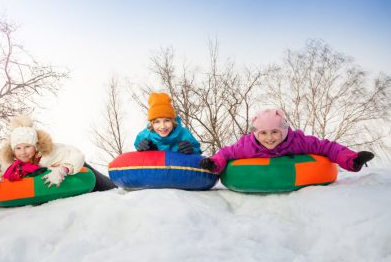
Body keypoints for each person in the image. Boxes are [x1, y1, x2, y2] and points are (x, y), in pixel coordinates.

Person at [200, 108, 374, 173]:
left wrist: (353, 160)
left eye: (275, 132)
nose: (269, 138)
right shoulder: (248, 146)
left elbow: (327, 147)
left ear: (283, 130)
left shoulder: (297, 141)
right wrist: (214, 164)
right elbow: (226, 153)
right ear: (256, 134)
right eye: (263, 133)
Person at [0, 115, 116, 191]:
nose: (23, 152)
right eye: (18, 148)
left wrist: (63, 169)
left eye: (27, 146)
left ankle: (117, 184)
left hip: (78, 167)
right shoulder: (11, 163)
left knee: (110, 187)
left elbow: (76, 155)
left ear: (35, 145)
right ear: (13, 149)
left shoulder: (49, 154)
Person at [134, 92, 201, 154]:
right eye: (157, 122)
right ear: (152, 124)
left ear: (173, 121)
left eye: (167, 120)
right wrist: (141, 150)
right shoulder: (144, 136)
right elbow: (138, 157)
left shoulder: (184, 134)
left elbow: (198, 152)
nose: (162, 126)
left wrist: (192, 150)